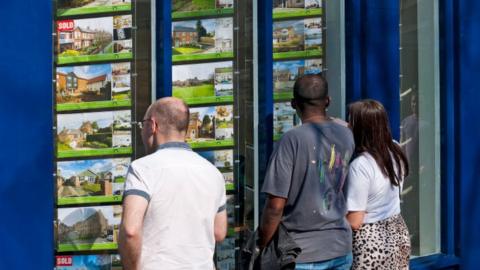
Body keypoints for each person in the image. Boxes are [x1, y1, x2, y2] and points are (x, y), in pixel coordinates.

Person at [118, 97, 227, 270]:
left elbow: (130, 230)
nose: (142, 130)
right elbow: (219, 232)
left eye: (143, 124)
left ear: (153, 125)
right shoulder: (213, 173)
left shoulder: (142, 169)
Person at [259, 74, 355, 269]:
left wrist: (262, 245)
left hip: (302, 253)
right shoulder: (347, 133)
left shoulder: (291, 140)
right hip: (340, 248)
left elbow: (275, 205)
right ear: (327, 101)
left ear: (293, 103)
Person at [346, 99, 411, 269]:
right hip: (398, 231)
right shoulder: (395, 149)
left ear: (361, 128)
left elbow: (355, 221)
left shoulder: (360, 166)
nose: (347, 126)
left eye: (351, 121)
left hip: (371, 241)